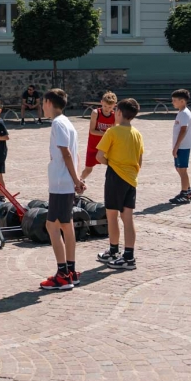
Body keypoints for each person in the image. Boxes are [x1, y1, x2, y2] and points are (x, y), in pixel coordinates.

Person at [38, 89, 86, 290]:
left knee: (52, 226)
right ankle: (71, 270)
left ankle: (62, 274)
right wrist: (77, 179)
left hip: (60, 182)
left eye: (43, 103)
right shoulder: (67, 122)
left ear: (49, 102)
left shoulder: (58, 123)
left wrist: (76, 180)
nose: (42, 107)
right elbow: (74, 154)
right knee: (67, 225)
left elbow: (66, 153)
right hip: (65, 181)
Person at [95, 98, 143, 270]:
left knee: (112, 215)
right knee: (128, 218)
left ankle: (113, 250)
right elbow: (140, 160)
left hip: (115, 177)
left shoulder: (112, 132)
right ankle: (129, 256)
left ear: (119, 113)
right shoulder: (137, 133)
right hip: (131, 178)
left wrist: (112, 163)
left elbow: (99, 156)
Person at [79, 91, 116, 182]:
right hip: (93, 145)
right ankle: (79, 182)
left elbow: (114, 132)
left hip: (106, 147)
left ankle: (114, 184)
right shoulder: (96, 113)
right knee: (88, 169)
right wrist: (106, 133)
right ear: (101, 102)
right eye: (105, 106)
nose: (107, 109)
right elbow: (92, 131)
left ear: (114, 106)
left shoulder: (114, 115)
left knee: (114, 166)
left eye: (110, 107)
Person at [168, 89, 191, 204]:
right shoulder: (181, 112)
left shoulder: (184, 113)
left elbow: (183, 130)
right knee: (179, 168)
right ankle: (188, 190)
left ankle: (185, 194)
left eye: (175, 100)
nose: (172, 102)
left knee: (182, 170)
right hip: (181, 146)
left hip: (183, 146)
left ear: (182, 101)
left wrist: (176, 146)